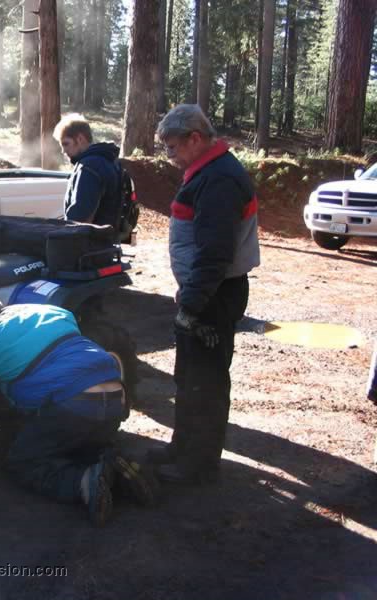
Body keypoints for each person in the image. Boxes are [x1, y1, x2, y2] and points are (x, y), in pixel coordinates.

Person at [0, 297, 158, 527]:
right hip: (116, 393)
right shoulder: (52, 313)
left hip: (75, 404)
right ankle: (117, 465)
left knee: (24, 461)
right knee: (80, 446)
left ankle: (83, 483)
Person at [149, 104, 261, 485]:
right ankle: (182, 447)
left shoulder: (220, 179)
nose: (170, 155)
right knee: (188, 375)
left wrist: (193, 304)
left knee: (206, 381)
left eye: (173, 146)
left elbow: (216, 252)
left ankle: (197, 465)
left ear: (195, 138)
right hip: (206, 290)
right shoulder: (208, 171)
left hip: (215, 293)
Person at [53, 114, 123, 230]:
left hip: (89, 243)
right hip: (106, 240)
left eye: (66, 144)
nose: (63, 151)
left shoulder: (89, 166)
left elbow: (80, 217)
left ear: (80, 139)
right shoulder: (107, 160)